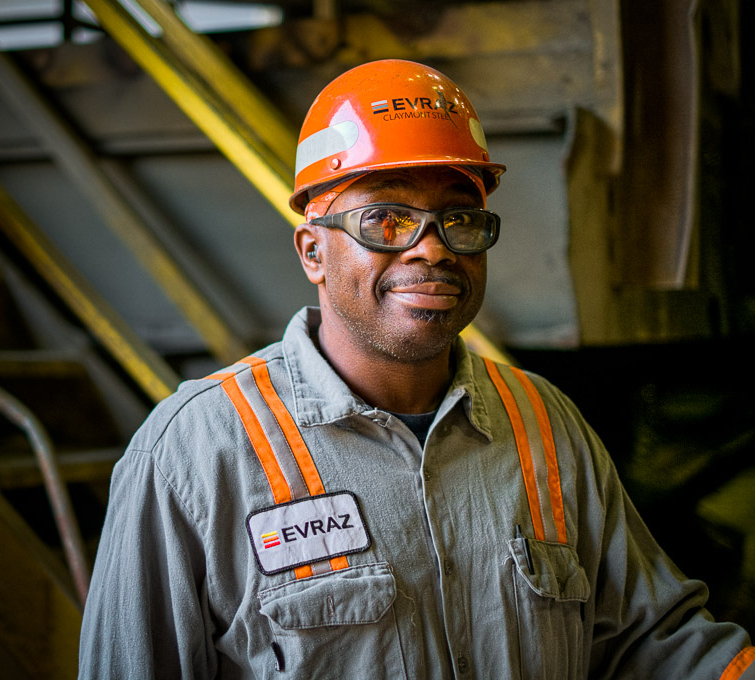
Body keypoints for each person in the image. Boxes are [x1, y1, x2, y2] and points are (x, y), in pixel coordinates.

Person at [79, 59, 754, 679]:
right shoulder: (195, 455)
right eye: (388, 219)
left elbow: (651, 640)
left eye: (460, 219)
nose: (433, 250)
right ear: (313, 250)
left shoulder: (545, 426)